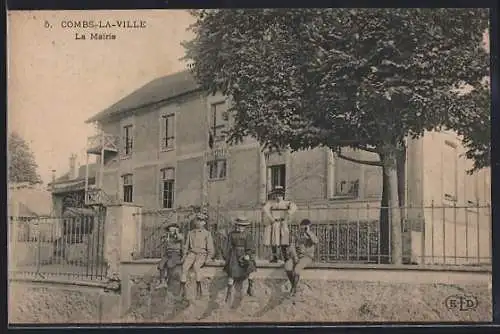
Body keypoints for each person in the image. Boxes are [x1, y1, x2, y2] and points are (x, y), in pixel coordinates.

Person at [179, 213, 215, 299]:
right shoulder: (190, 233)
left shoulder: (207, 233)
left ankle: (199, 290)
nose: (199, 223)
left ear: (204, 223)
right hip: (192, 253)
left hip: (202, 254)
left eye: (201, 221)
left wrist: (208, 258)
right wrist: (184, 255)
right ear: (195, 222)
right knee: (184, 267)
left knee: (196, 267)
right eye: (197, 220)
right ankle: (182, 291)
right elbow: (186, 245)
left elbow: (210, 247)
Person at [223, 216, 257, 303]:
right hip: (234, 254)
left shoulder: (248, 235)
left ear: (245, 227)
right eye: (239, 225)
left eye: (242, 226)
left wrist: (248, 255)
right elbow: (227, 246)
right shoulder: (231, 234)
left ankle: (250, 287)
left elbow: (251, 247)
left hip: (244, 254)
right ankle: (229, 292)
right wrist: (227, 256)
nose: (240, 227)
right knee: (232, 270)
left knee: (251, 267)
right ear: (236, 225)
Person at [262, 185, 298, 263]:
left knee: (284, 240)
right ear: (274, 195)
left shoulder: (286, 203)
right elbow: (265, 208)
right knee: (274, 241)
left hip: (283, 223)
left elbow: (294, 207)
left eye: (280, 195)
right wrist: (271, 218)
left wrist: (289, 213)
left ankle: (285, 257)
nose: (279, 197)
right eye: (277, 195)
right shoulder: (271, 203)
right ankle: (275, 257)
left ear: (283, 195)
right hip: (275, 223)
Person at [285, 218, 318, 296]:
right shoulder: (296, 234)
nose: (303, 229)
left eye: (305, 227)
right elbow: (292, 246)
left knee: (296, 270)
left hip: (307, 257)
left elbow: (316, 241)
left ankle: (293, 289)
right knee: (287, 267)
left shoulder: (311, 234)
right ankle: (293, 285)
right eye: (302, 227)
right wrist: (295, 256)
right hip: (297, 256)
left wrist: (308, 232)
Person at [156, 222, 184, 290]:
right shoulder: (167, 237)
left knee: (169, 264)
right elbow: (164, 244)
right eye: (170, 231)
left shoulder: (179, 236)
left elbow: (180, 238)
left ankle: (168, 280)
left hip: (175, 254)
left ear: (176, 230)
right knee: (161, 264)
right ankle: (162, 281)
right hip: (168, 254)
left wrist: (176, 233)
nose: (171, 232)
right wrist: (166, 237)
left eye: (173, 231)